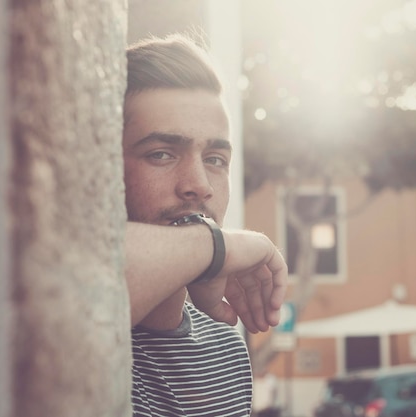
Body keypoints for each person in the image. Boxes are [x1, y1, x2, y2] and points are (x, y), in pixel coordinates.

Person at [123, 33, 288, 417]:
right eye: (161, 154)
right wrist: (217, 248)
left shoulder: (225, 347)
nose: (198, 184)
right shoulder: (64, 313)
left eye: (215, 159)